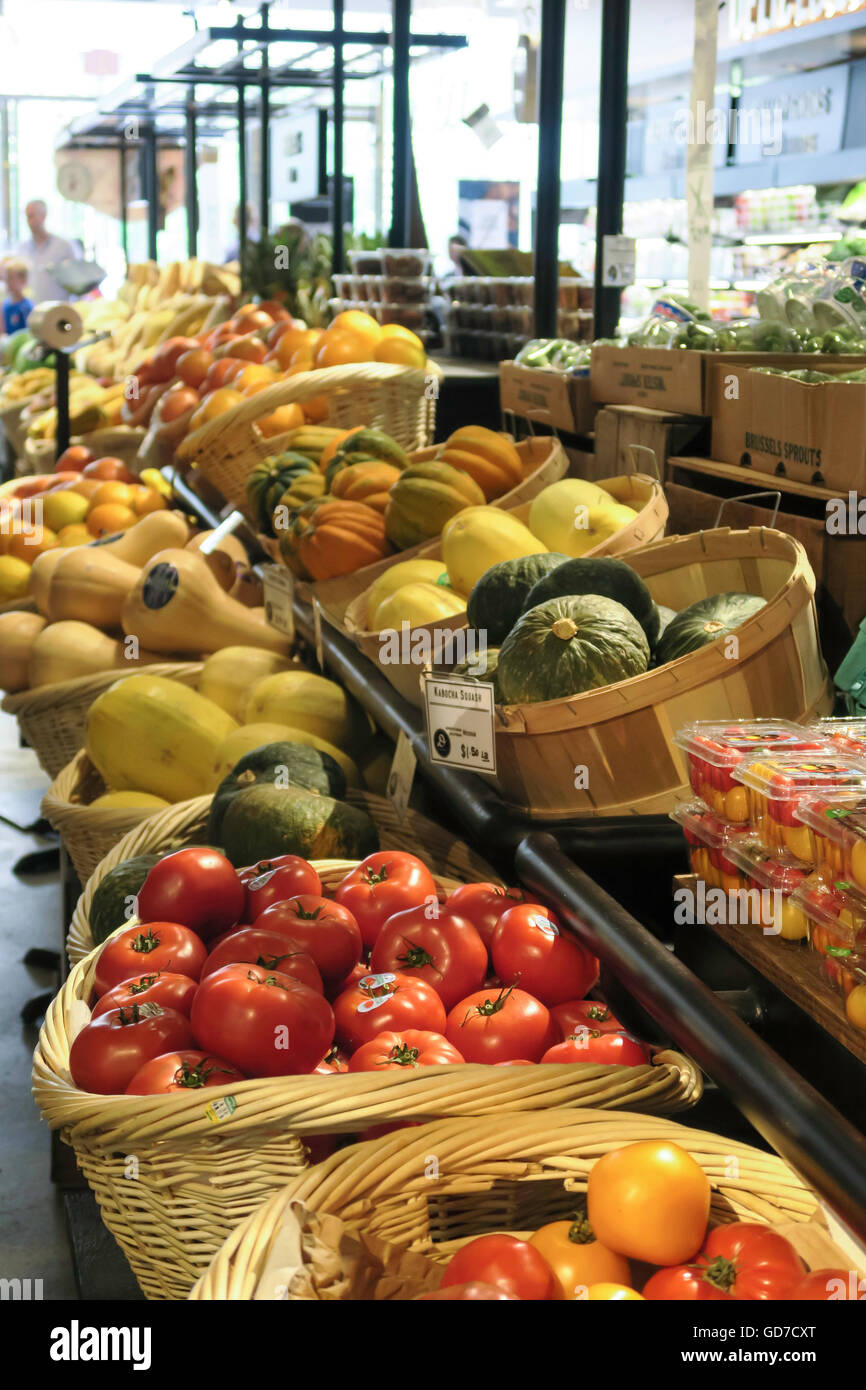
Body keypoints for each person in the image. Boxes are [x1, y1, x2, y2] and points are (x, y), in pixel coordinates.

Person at [16, 200, 77, 305]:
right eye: (27, 217)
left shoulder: (64, 247)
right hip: (31, 312)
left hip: (59, 312)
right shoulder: (23, 249)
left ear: (43, 216)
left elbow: (76, 280)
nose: (29, 222)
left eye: (31, 216)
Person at [1, 258, 34, 335]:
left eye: (12, 278)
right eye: (7, 278)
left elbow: (29, 334)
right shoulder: (5, 304)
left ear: (23, 281)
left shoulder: (26, 307)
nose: (8, 282)